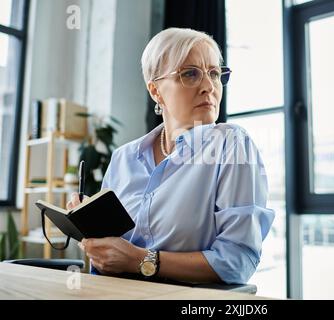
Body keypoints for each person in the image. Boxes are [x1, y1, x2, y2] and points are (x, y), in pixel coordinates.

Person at [67, 27, 275, 284]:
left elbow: (238, 260)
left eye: (214, 73)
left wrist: (138, 259)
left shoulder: (231, 144)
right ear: (155, 90)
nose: (209, 86)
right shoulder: (123, 158)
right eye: (190, 74)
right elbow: (112, 260)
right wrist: (97, 243)